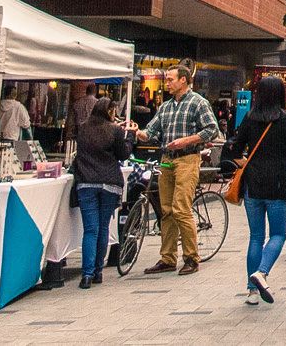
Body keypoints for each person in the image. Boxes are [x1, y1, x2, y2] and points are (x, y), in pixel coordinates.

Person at [131, 64, 219, 276]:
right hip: (166, 160)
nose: (167, 82)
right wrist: (137, 132)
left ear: (183, 80)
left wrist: (186, 141)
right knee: (166, 210)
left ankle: (191, 258)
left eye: (170, 79)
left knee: (181, 208)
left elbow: (212, 129)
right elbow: (151, 132)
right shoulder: (165, 107)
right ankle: (168, 258)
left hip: (187, 158)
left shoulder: (198, 102)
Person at [227, 76, 286, 305]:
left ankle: (251, 291)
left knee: (256, 236)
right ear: (281, 94)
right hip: (279, 183)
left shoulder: (250, 118)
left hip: (253, 184)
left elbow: (235, 150)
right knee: (278, 234)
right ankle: (262, 272)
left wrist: (247, 164)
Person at [70, 97, 129, 289]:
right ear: (109, 111)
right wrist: (128, 137)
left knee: (90, 229)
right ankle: (98, 271)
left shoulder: (83, 128)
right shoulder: (115, 130)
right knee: (103, 228)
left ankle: (86, 274)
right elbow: (124, 155)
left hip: (86, 182)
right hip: (109, 182)